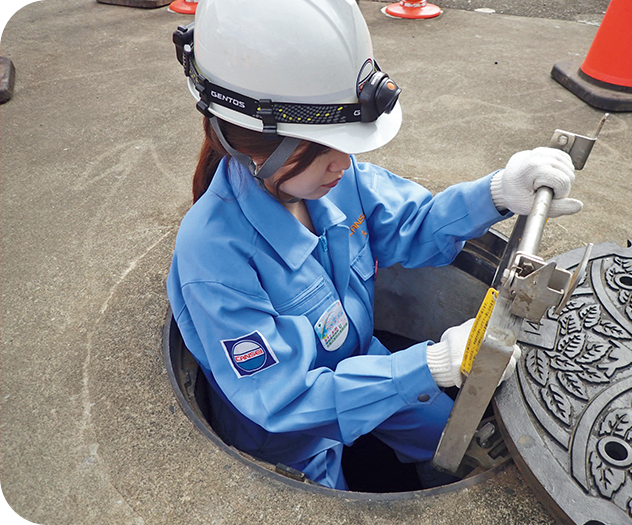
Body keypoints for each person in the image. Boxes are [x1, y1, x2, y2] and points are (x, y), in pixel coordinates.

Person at [167, 0, 582, 491]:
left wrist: (496, 194)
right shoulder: (213, 256)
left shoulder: (335, 181)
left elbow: (415, 223)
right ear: (254, 143)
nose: (342, 164)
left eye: (349, 144)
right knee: (326, 489)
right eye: (322, 148)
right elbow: (282, 399)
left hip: (367, 361)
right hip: (293, 438)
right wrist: (426, 366)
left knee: (449, 438)